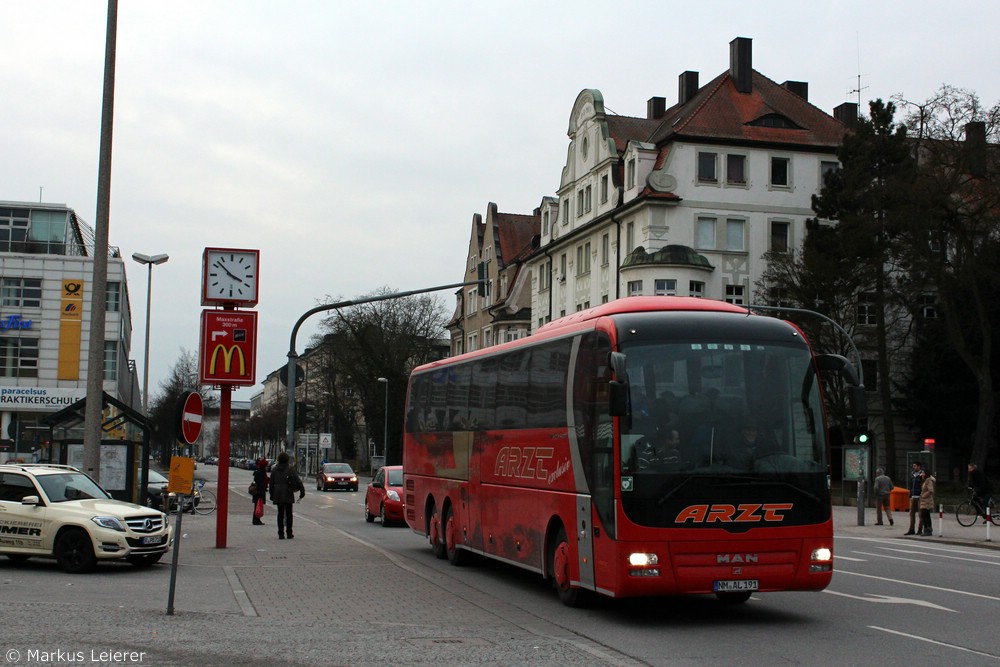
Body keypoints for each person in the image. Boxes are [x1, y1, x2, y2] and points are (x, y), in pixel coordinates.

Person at [269, 451, 305, 539]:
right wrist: (302, 491)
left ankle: (280, 533)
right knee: (289, 514)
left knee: (280, 514)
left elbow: (271, 483)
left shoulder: (274, 469)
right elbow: (298, 481)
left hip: (278, 494)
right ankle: (289, 532)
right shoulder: (290, 468)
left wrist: (271, 494)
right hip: (288, 493)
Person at [904, 461, 923, 535]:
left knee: (920, 514)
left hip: (920, 497)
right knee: (912, 513)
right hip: (913, 496)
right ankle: (911, 529)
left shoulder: (922, 475)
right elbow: (911, 485)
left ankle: (920, 529)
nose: (914, 467)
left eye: (915, 466)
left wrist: (921, 494)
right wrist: (910, 495)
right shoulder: (912, 474)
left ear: (919, 466)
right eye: (913, 466)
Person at [251, 458, 269, 526]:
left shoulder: (259, 472)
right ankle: (256, 520)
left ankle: (256, 519)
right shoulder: (261, 473)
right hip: (259, 491)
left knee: (257, 505)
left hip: (258, 491)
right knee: (257, 505)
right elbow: (260, 483)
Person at [919, 469, 936, 536]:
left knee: (926, 516)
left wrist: (923, 495)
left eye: (923, 473)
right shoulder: (925, 480)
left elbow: (930, 491)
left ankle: (928, 530)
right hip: (924, 501)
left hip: (927, 501)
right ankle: (926, 529)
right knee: (924, 515)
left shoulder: (928, 480)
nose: (922, 474)